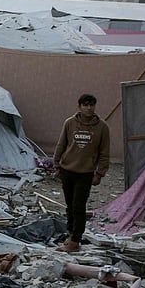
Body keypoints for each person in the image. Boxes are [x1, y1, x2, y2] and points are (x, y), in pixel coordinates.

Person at [52, 94, 110, 253]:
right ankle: (70, 233)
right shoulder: (70, 123)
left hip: (85, 173)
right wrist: (57, 165)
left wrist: (100, 173)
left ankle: (76, 240)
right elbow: (61, 144)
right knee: (70, 205)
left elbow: (105, 152)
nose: (89, 108)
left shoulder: (102, 127)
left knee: (79, 206)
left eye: (92, 105)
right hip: (67, 170)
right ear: (79, 107)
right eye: (85, 105)